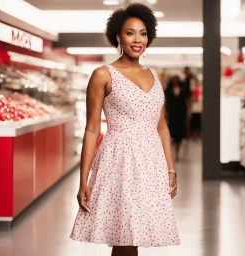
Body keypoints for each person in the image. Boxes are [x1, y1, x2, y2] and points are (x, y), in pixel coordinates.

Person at [70, 3, 180, 255]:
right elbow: (91, 129)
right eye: (130, 33)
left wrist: (171, 168)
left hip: (151, 162)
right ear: (118, 36)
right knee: (124, 235)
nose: (137, 39)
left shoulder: (154, 75)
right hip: (119, 160)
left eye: (143, 33)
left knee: (136, 233)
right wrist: (83, 180)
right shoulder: (102, 74)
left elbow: (162, 127)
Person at [165, 75, 190, 161]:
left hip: (180, 114)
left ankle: (176, 154)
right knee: (170, 135)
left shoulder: (183, 90)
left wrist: (188, 112)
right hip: (172, 114)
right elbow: (165, 101)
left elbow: (187, 101)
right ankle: (170, 154)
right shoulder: (168, 90)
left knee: (178, 136)